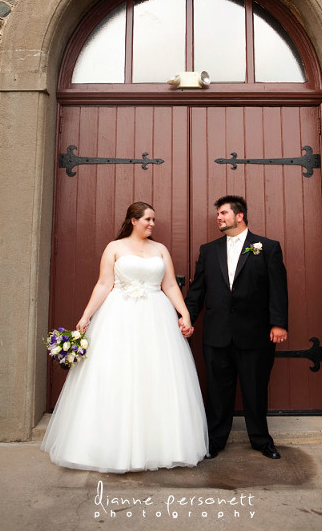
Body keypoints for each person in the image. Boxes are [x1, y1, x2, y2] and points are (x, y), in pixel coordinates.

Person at [41, 201, 208, 472]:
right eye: (148, 219)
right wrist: (86, 316)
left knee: (155, 375)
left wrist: (185, 314)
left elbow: (168, 285)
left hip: (156, 317)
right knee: (116, 373)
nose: (152, 224)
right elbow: (104, 284)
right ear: (133, 220)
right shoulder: (114, 247)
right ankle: (109, 446)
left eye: (153, 220)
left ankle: (158, 446)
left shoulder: (160, 249)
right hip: (119, 316)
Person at [182, 195, 288, 460]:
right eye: (218, 214)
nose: (218, 217)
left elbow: (278, 289)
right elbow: (197, 291)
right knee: (218, 392)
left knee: (255, 390)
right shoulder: (208, 251)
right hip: (217, 335)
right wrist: (186, 318)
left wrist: (278, 323)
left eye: (224, 213)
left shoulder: (266, 247)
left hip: (255, 334)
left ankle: (261, 440)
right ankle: (214, 441)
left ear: (239, 216)